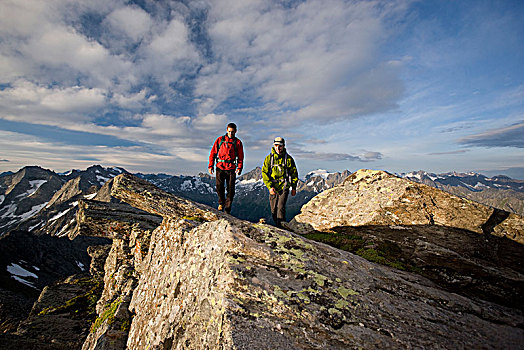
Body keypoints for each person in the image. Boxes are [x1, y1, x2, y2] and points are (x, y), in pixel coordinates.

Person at [261, 137, 298, 228]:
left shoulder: (288, 159)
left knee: (280, 208)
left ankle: (282, 228)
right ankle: (279, 226)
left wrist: (293, 187)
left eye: (280, 146)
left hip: (284, 186)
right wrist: (270, 187)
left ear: (283, 146)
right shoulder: (269, 159)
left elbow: (294, 174)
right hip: (273, 187)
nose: (278, 148)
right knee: (273, 210)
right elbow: (264, 173)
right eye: (276, 146)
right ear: (274, 146)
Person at [208, 123, 244, 213]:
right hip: (220, 167)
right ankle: (221, 202)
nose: (231, 133)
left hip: (231, 168)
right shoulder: (220, 140)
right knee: (219, 186)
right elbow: (213, 153)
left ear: (236, 131)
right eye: (229, 131)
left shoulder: (238, 142)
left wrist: (239, 168)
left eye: (232, 132)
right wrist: (210, 165)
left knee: (230, 189)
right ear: (226, 130)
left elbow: (240, 157)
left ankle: (227, 208)